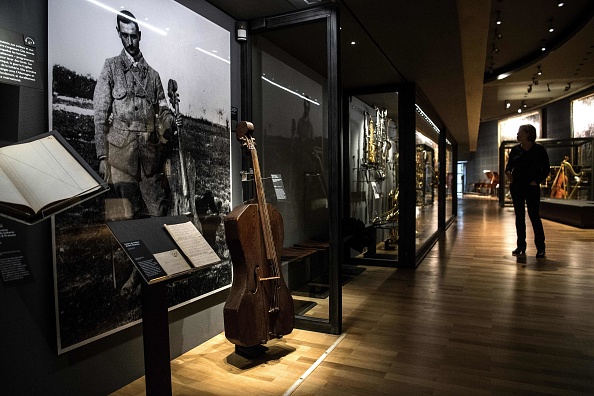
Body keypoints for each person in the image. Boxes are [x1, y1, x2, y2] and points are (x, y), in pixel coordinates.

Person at [93, 10, 175, 220]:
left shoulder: (154, 77)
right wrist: (102, 156)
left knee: (158, 212)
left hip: (149, 155)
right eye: (124, 35)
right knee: (126, 216)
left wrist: (169, 121)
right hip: (120, 156)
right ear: (119, 34)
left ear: (140, 34)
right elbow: (100, 116)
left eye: (133, 35)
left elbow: (163, 110)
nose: (130, 41)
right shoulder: (110, 68)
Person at [505, 124, 550, 258]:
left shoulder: (539, 150)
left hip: (532, 187)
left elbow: (545, 169)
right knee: (519, 217)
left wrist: (537, 181)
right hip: (517, 187)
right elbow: (509, 167)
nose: (517, 135)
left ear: (528, 134)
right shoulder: (515, 150)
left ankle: (541, 248)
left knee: (534, 216)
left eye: (520, 133)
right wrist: (509, 175)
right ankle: (521, 245)